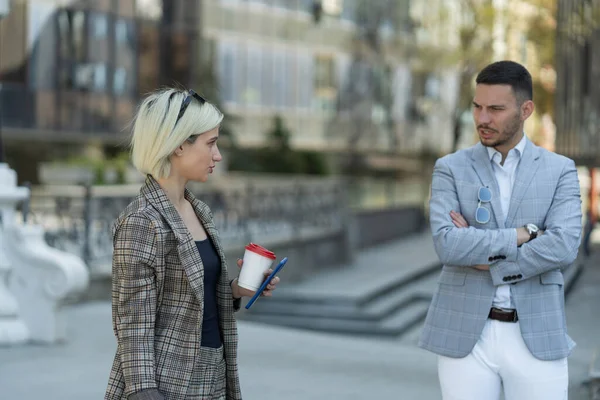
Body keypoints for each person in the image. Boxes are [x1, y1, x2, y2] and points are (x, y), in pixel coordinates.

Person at [419, 61, 582, 399]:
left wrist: (487, 261)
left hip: (537, 333)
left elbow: (564, 246)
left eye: (495, 109)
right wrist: (523, 234)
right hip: (465, 337)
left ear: (526, 110)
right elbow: (448, 245)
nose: (482, 118)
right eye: (477, 106)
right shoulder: (450, 168)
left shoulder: (560, 170)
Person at [104, 88, 280, 400]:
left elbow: (189, 297)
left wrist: (238, 289)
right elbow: (133, 324)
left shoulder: (199, 211)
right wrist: (144, 391)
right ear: (179, 145)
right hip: (167, 381)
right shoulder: (142, 222)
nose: (218, 155)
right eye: (211, 143)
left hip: (213, 373)